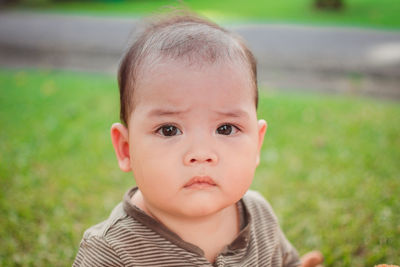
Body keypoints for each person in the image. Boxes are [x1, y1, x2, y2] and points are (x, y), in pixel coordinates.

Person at [73, 11, 324, 267]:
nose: (201, 153)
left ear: (257, 144)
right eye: (169, 130)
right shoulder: (111, 251)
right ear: (126, 150)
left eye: (226, 128)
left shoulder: (259, 215)